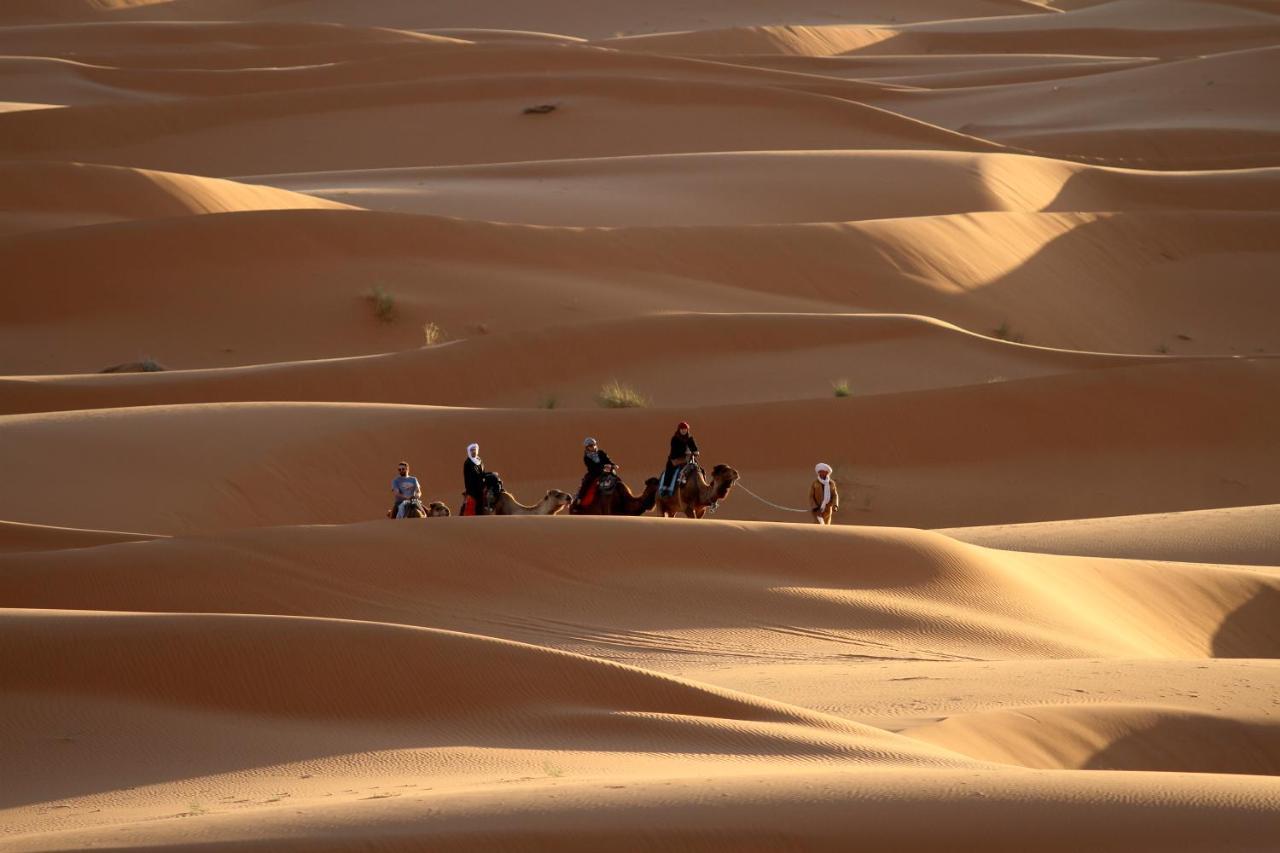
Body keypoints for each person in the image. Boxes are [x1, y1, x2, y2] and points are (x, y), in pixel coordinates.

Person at [660, 421, 699, 497]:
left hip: (688, 459)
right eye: (682, 429)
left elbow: (695, 448)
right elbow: (675, 452)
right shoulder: (675, 439)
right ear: (679, 430)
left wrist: (696, 452)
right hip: (675, 459)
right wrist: (686, 453)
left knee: (698, 469)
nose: (684, 430)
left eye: (685, 429)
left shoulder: (690, 438)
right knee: (669, 470)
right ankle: (666, 488)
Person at [576, 437, 616, 507]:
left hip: (605, 470)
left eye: (594, 444)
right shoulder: (586, 457)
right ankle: (579, 499)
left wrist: (613, 465)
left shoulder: (601, 453)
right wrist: (604, 467)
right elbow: (592, 467)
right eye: (591, 445)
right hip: (594, 473)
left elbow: (607, 460)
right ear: (587, 447)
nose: (593, 447)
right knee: (586, 483)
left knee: (616, 478)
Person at [460, 442, 486, 516]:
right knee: (472, 505)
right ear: (469, 451)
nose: (473, 451)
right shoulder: (468, 463)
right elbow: (467, 478)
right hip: (472, 489)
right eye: (471, 450)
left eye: (474, 450)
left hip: (480, 487)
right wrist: (469, 490)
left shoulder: (480, 461)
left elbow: (483, 473)